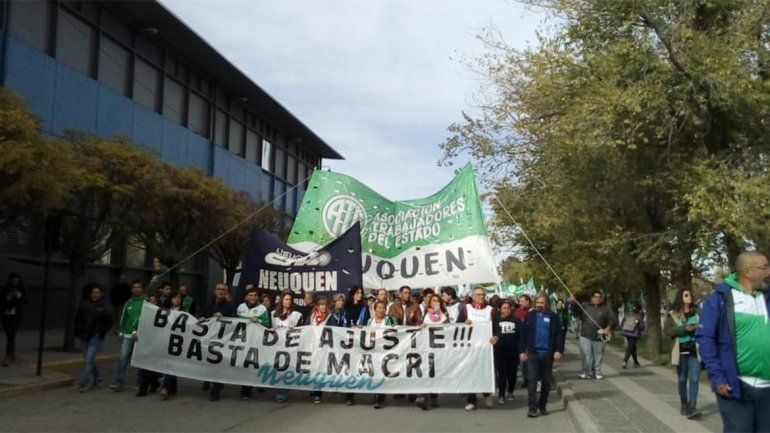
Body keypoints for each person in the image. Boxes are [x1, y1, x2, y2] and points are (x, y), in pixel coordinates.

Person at [696, 251, 770, 432]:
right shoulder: (720, 300)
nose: (768, 272)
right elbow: (705, 339)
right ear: (748, 272)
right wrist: (717, 376)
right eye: (764, 267)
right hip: (735, 387)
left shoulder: (766, 297)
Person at [519, 293, 565, 418]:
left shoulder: (554, 317)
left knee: (546, 383)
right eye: (538, 302)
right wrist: (522, 351)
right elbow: (523, 334)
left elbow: (559, 335)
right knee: (532, 382)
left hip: (548, 355)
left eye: (542, 302)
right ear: (535, 303)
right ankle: (532, 408)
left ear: (547, 303)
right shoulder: (529, 316)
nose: (540, 304)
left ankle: (542, 405)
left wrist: (559, 350)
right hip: (532, 354)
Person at [664, 288, 700, 418]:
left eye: (690, 295)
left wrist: (697, 328)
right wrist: (684, 328)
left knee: (695, 379)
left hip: (694, 350)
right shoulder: (672, 314)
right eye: (686, 295)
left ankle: (692, 407)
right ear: (681, 298)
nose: (689, 297)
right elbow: (667, 331)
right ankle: (684, 404)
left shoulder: (696, 313)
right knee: (683, 378)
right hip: (680, 351)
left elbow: (703, 329)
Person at [199, 283, 236, 401]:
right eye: (219, 289)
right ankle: (208, 380)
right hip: (207, 338)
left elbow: (234, 320)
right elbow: (201, 314)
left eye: (223, 290)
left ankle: (216, 390)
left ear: (226, 293)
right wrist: (201, 318)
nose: (221, 291)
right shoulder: (208, 303)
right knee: (206, 361)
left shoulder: (229, 306)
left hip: (221, 340)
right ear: (215, 291)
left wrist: (224, 316)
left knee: (217, 363)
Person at [73, 284, 113, 392]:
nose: (94, 294)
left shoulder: (105, 306)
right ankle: (97, 376)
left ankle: (86, 381)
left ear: (101, 294)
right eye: (93, 292)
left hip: (95, 335)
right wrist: (77, 331)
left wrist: (100, 332)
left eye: (97, 292)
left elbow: (109, 322)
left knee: (89, 358)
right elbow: (78, 318)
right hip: (84, 334)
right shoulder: (85, 304)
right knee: (88, 358)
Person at [464, 287, 497, 411]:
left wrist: (496, 336)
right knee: (470, 373)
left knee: (485, 372)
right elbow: (457, 325)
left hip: (485, 348)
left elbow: (497, 327)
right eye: (478, 295)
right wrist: (464, 323)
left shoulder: (491, 310)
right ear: (473, 296)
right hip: (470, 347)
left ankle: (487, 395)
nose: (481, 297)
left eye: (483, 294)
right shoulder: (466, 309)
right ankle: (471, 400)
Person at [415, 294, 449, 410]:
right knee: (426, 371)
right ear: (429, 303)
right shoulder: (425, 315)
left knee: (436, 373)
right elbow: (418, 328)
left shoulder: (444, 316)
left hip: (439, 349)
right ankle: (423, 396)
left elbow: (449, 328)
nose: (435, 303)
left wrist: (440, 314)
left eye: (437, 301)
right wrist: (421, 325)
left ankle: (434, 397)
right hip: (427, 348)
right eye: (433, 301)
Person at [110, 279, 145, 391]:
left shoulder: (146, 302)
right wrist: (121, 332)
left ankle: (139, 382)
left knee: (139, 360)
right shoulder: (128, 303)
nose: (136, 289)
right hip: (127, 335)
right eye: (134, 287)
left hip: (140, 336)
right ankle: (119, 382)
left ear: (142, 289)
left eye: (139, 286)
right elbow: (123, 318)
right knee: (123, 358)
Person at [236, 287, 270, 401]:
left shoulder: (262, 309)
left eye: (255, 295)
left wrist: (259, 320)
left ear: (258, 297)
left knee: (253, 364)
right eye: (250, 295)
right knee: (244, 365)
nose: (253, 297)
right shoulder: (240, 307)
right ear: (246, 297)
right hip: (242, 340)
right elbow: (234, 320)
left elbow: (267, 323)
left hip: (256, 341)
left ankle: (249, 389)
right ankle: (245, 388)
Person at [575, 290, 616, 380]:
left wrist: (607, 329)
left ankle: (597, 372)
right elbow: (576, 313)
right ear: (592, 298)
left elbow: (612, 320)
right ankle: (586, 372)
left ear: (601, 299)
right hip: (585, 335)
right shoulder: (585, 306)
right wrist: (573, 302)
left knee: (598, 355)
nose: (597, 299)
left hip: (599, 337)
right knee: (586, 354)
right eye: (595, 297)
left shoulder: (606, 309)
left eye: (599, 297)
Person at [271, 291, 303, 402]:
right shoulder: (273, 314)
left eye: (290, 299)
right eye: (286, 299)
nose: (288, 301)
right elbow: (269, 328)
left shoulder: (296, 315)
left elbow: (303, 331)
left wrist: (295, 330)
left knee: (285, 368)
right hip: (276, 345)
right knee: (276, 368)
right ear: (282, 300)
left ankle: (282, 392)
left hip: (290, 347)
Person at [159, 291, 188, 400]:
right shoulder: (165, 311)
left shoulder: (184, 311)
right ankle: (172, 388)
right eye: (175, 297)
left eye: (179, 297)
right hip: (166, 339)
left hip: (178, 341)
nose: (177, 299)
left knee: (170, 363)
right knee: (170, 363)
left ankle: (166, 387)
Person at [367, 300, 396, 409]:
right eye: (378, 308)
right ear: (374, 310)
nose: (381, 310)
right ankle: (377, 394)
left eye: (383, 308)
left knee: (382, 371)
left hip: (385, 350)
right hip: (373, 350)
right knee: (376, 372)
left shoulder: (389, 320)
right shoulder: (370, 321)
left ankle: (379, 394)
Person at [493, 299, 522, 404]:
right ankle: (501, 394)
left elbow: (521, 335)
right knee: (501, 374)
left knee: (512, 374)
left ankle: (510, 391)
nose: (506, 310)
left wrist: (522, 349)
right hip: (500, 352)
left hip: (513, 352)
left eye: (508, 308)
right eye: (504, 308)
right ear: (499, 309)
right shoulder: (495, 320)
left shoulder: (516, 320)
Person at [305, 297, 330, 404]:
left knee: (320, 370)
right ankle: (313, 387)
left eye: (325, 304)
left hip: (324, 348)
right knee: (312, 368)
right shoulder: (312, 317)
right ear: (317, 306)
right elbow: (305, 329)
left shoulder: (330, 317)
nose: (323, 306)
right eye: (321, 304)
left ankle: (318, 394)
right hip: (312, 347)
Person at [1, 272, 25, 367]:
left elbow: (24, 301)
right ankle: (12, 354)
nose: (15, 282)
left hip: (16, 316)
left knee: (11, 335)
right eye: (13, 280)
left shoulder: (21, 290)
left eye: (17, 280)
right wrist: (8, 297)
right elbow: (2, 301)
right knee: (9, 335)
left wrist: (18, 295)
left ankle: (8, 356)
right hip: (6, 315)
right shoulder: (5, 289)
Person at [620, 301, 645, 369]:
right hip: (634, 334)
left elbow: (622, 323)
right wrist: (640, 329)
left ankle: (636, 362)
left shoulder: (627, 314)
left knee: (633, 348)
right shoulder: (639, 316)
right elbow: (642, 327)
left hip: (626, 333)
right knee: (630, 347)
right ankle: (625, 361)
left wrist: (623, 329)